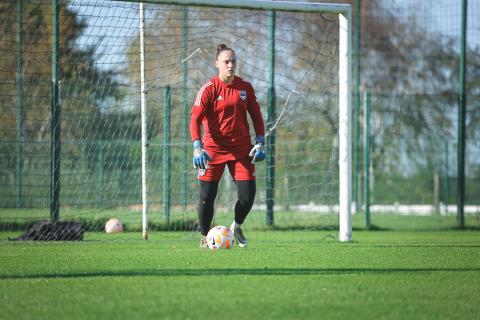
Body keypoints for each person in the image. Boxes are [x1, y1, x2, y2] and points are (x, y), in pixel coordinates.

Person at [190, 44, 266, 249]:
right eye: (226, 61)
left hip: (242, 150)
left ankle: (237, 226)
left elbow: (257, 115)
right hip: (212, 151)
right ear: (217, 64)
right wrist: (197, 147)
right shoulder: (208, 89)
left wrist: (260, 141)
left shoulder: (245, 88)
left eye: (233, 61)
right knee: (207, 196)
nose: (231, 65)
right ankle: (205, 237)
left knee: (247, 196)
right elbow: (194, 119)